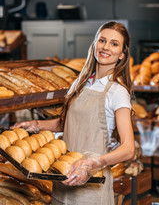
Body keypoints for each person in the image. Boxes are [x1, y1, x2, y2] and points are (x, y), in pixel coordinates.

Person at [11, 21, 135, 205]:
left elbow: (129, 149)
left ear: (122, 55)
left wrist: (94, 164)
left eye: (114, 44)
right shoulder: (80, 83)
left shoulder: (117, 92)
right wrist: (35, 125)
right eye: (102, 41)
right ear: (95, 44)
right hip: (63, 179)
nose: (106, 47)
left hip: (91, 187)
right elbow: (66, 123)